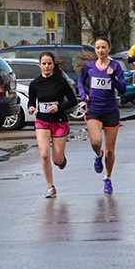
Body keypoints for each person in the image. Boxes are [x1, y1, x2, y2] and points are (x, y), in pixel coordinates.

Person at [77, 36, 126, 194]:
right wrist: (83, 93)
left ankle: (107, 178)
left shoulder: (115, 66)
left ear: (109, 49)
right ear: (95, 49)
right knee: (96, 142)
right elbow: (80, 81)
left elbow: (123, 88)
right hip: (94, 110)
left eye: (103, 47)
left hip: (110, 111)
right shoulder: (90, 66)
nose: (100, 50)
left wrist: (113, 77)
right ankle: (98, 156)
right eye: (98, 48)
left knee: (110, 151)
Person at [28, 52, 77, 198]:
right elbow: (32, 101)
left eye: (49, 63)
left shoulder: (60, 82)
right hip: (42, 121)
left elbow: (73, 100)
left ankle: (62, 159)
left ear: (53, 65)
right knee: (44, 154)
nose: (47, 66)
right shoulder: (34, 84)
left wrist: (59, 107)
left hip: (59, 122)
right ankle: (50, 187)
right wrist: (31, 107)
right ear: (40, 66)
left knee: (57, 160)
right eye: (44, 63)